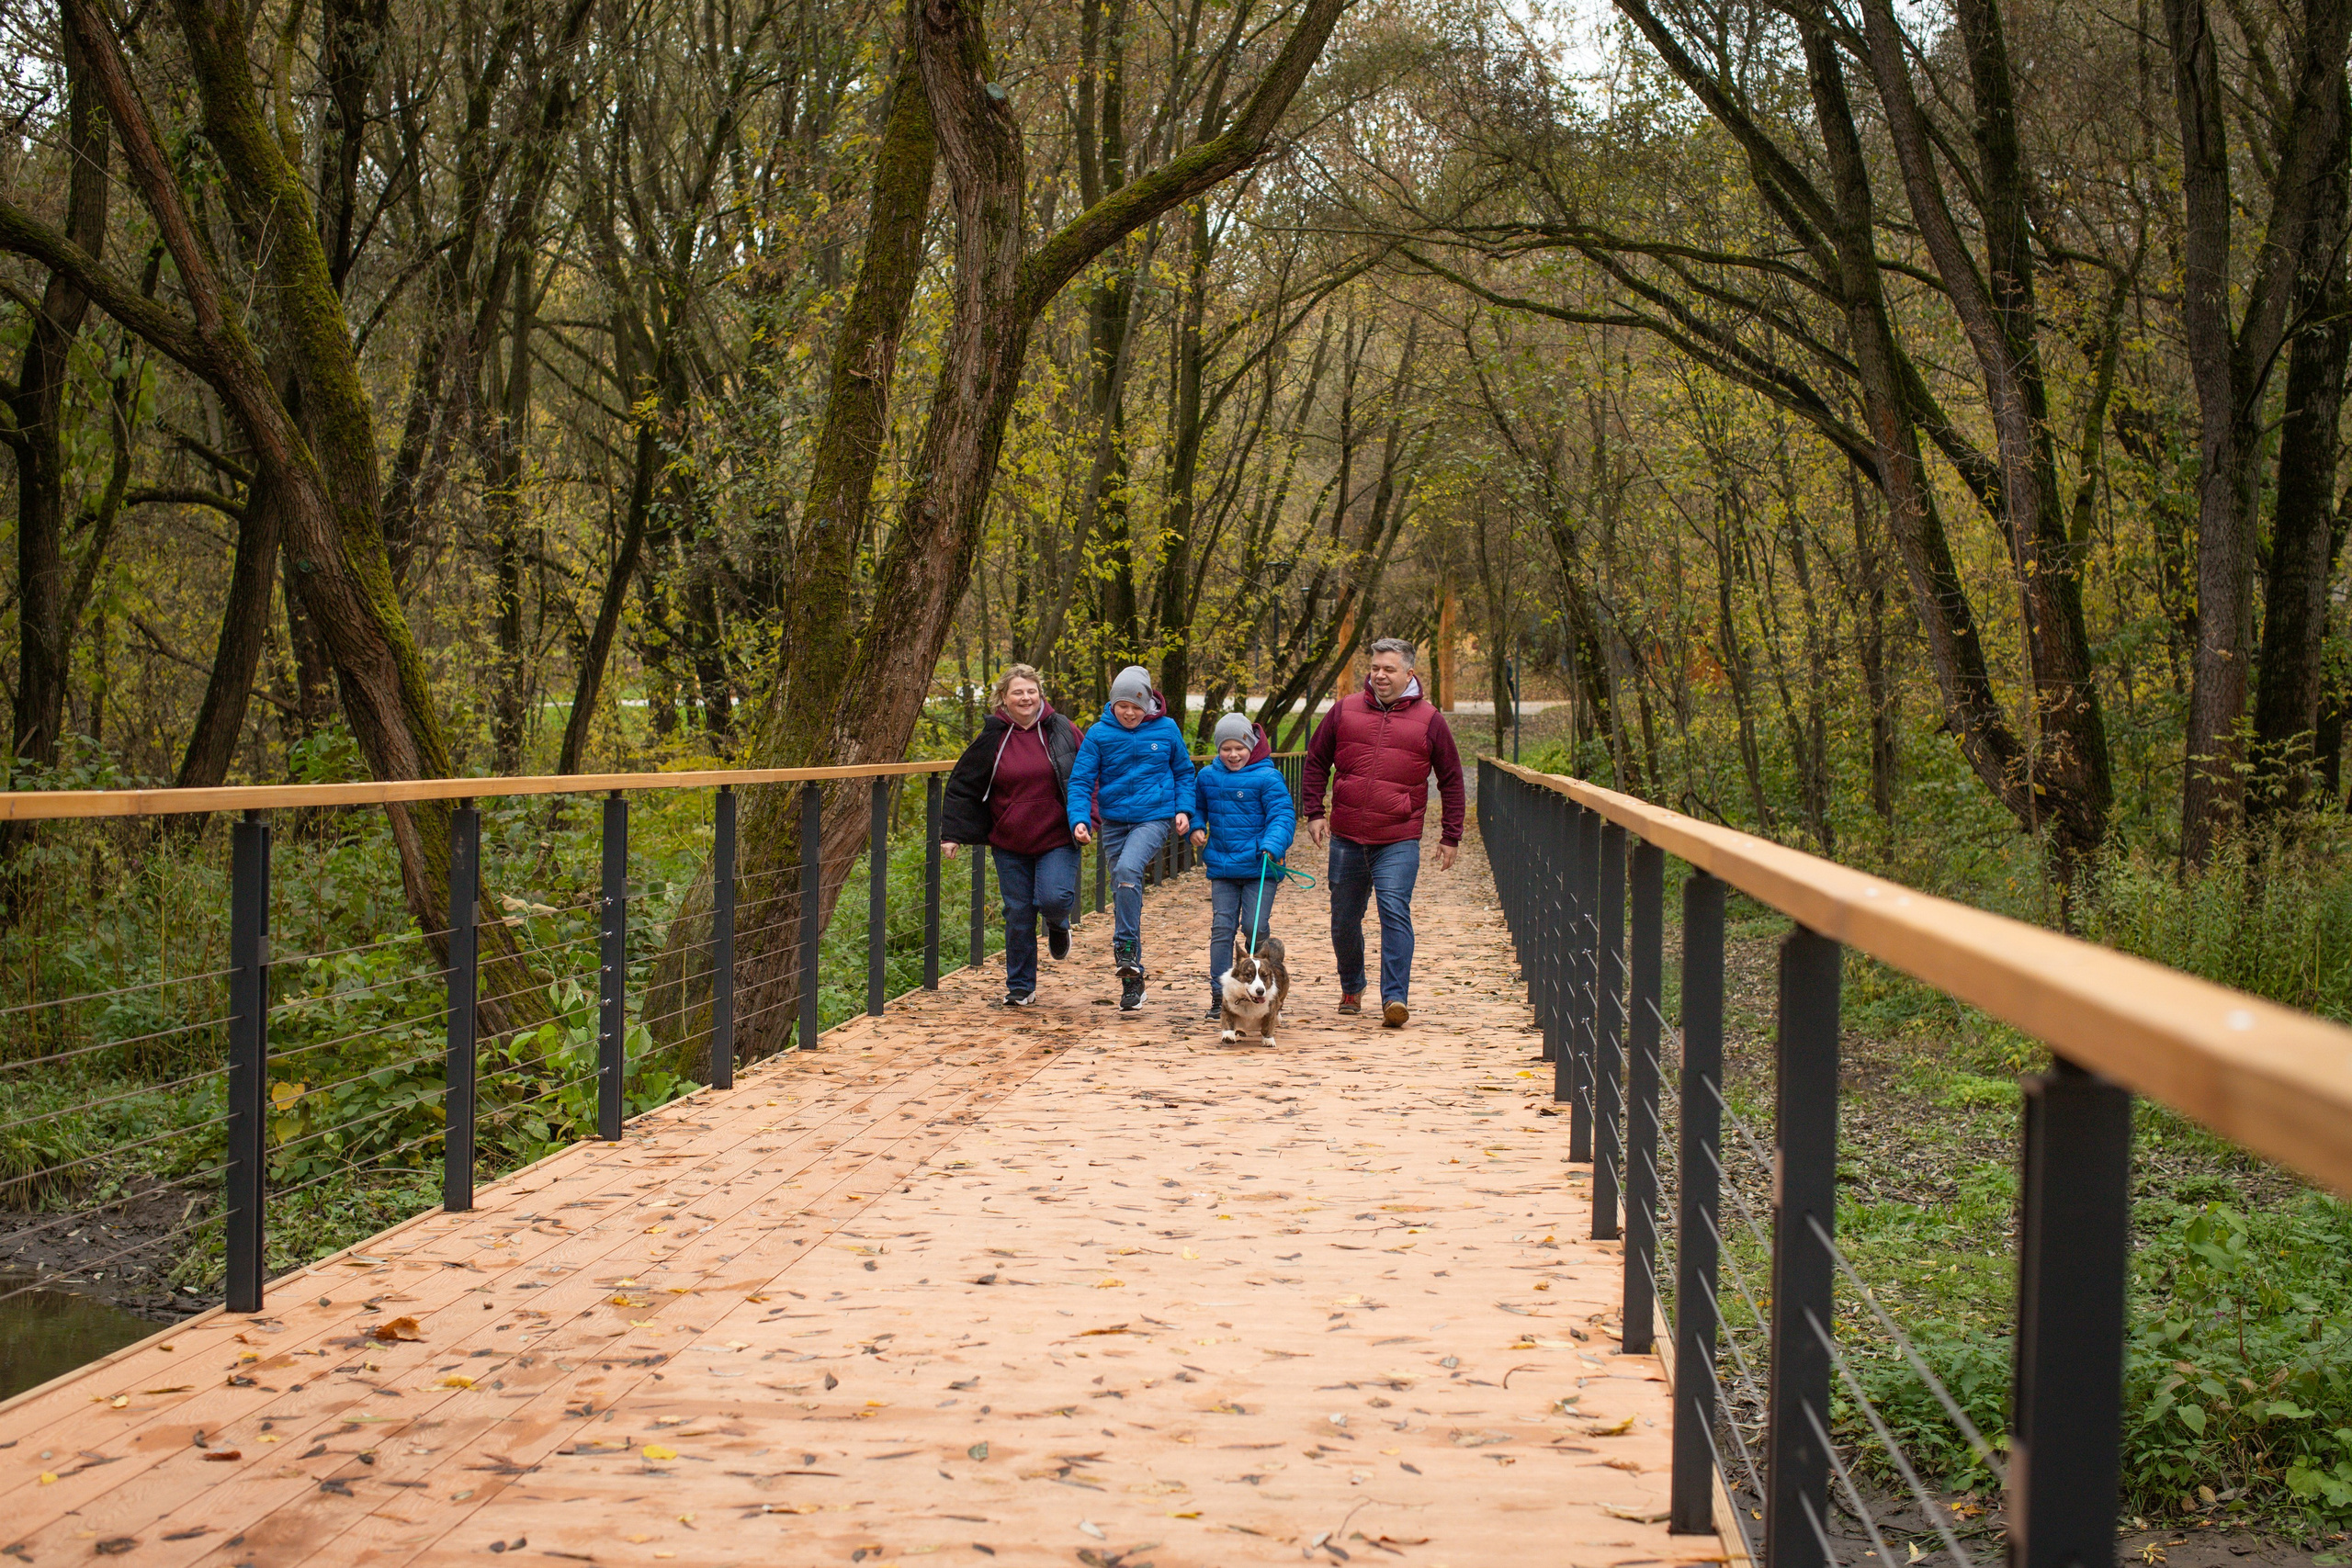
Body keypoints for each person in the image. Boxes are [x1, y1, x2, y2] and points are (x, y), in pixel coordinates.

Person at [1302, 637, 1464, 1028]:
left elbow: (1452, 779)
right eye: (1375, 667)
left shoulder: (1429, 719)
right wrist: (1314, 811)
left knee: (1393, 910)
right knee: (1344, 918)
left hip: (1398, 835)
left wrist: (1450, 835)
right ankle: (1352, 986)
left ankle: (1395, 998)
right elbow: (1316, 760)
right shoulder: (1345, 711)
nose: (1379, 675)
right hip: (1347, 834)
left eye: (1389, 669)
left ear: (1409, 673)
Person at [940, 665, 1084, 1007]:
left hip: (1057, 835)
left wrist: (1086, 817)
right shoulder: (992, 737)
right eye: (1017, 692)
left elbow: (1088, 773)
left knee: (1053, 899)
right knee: (1018, 912)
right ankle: (1021, 986)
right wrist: (953, 834)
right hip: (1010, 840)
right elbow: (963, 786)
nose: (1025, 697)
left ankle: (1057, 922)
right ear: (1004, 697)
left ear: (1040, 694)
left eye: (1031, 691)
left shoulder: (1062, 729)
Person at [1066, 665, 1193, 1011]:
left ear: (1148, 704)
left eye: (1137, 706)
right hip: (1113, 822)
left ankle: (1124, 948)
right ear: (1113, 703)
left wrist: (1184, 810)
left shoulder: (1166, 729)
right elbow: (1080, 781)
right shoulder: (1098, 734)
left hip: (1154, 817)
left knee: (1126, 872)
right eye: (1123, 705)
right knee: (1125, 888)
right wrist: (1080, 819)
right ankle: (1132, 982)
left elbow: (1184, 771)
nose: (1130, 712)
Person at [1187, 713, 1297, 1021]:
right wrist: (1195, 825)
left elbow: (1282, 815)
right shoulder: (1208, 776)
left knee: (1254, 927)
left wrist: (1272, 844)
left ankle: (1263, 984)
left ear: (1251, 746)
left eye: (1239, 748)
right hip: (1222, 867)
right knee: (1222, 928)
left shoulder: (1267, 777)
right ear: (1218, 749)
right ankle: (1219, 994)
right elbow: (1196, 806)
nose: (1233, 754)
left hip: (1260, 866)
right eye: (1226, 748)